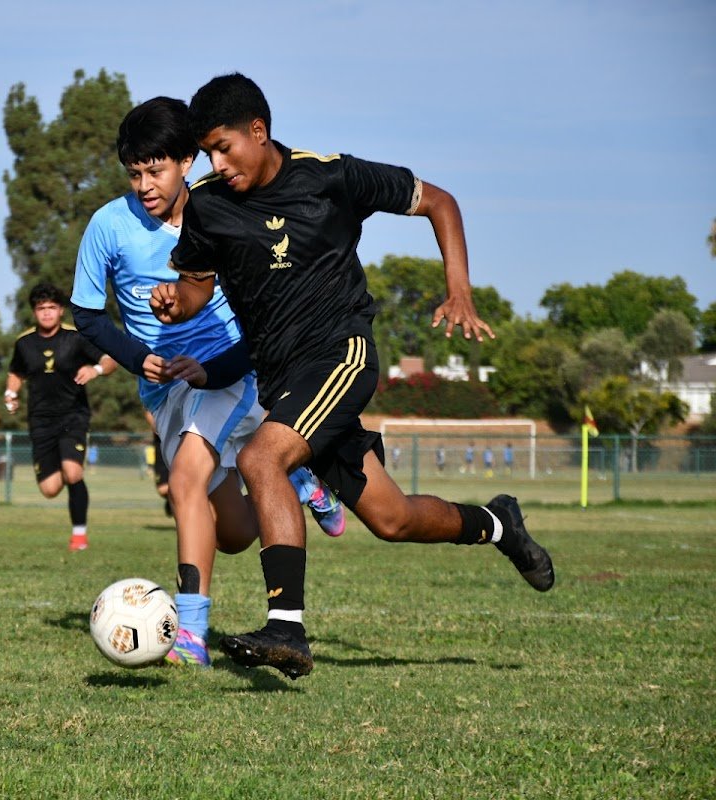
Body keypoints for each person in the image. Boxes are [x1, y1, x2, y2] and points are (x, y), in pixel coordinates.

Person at [151, 73, 554, 679]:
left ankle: (287, 628)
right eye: (208, 151)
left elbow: (439, 201)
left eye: (224, 147)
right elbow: (195, 289)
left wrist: (459, 289)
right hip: (281, 381)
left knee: (263, 460)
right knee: (393, 519)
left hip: (342, 354)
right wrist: (173, 303)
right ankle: (498, 524)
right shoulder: (208, 205)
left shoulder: (331, 176)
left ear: (258, 132)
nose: (216, 162)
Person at [71, 97, 344, 667]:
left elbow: (263, 309)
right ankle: (297, 480)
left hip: (228, 370)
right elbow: (90, 316)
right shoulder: (108, 225)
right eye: (135, 172)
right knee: (234, 532)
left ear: (188, 162)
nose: (145, 183)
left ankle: (189, 631)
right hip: (165, 389)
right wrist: (135, 357)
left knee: (185, 478)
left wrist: (227, 364)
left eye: (157, 169)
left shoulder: (223, 212)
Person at [6, 283, 117, 552]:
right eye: (41, 308)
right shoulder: (24, 343)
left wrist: (96, 370)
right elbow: (16, 373)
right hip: (40, 420)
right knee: (50, 488)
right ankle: (67, 488)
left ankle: (79, 535)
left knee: (73, 471)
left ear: (61, 310)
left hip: (73, 415)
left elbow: (110, 359)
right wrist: (10, 393)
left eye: (52, 308)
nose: (46, 313)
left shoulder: (75, 337)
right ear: (34, 312)